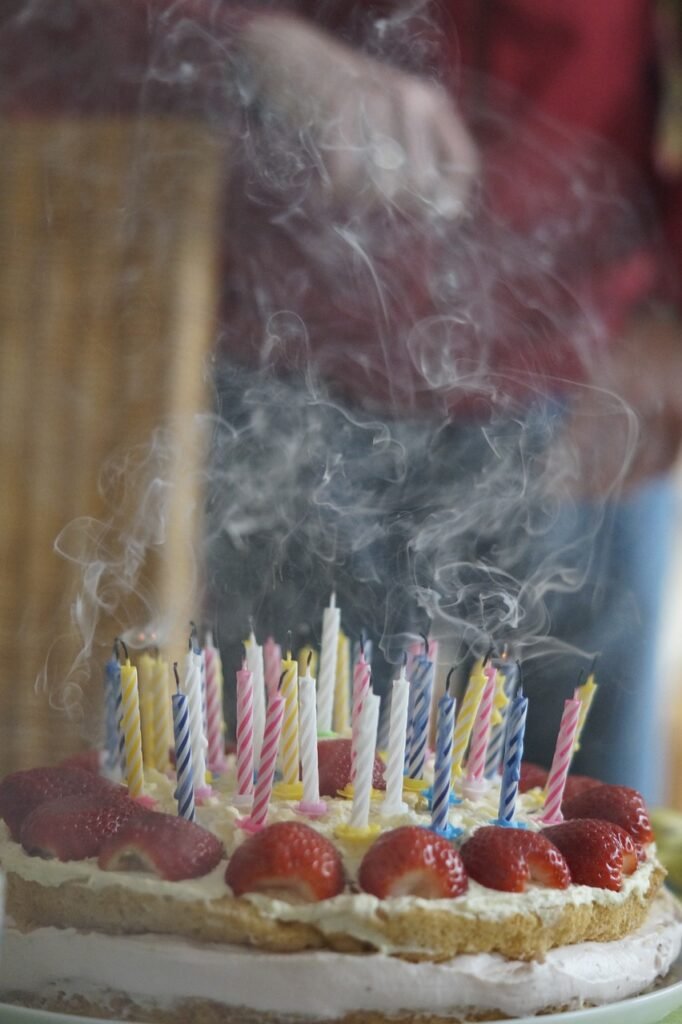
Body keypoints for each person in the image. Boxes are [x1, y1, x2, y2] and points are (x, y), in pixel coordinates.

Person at [3, 1, 681, 801]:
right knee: (285, 820)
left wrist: (675, 308)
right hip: (297, 399)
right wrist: (253, 38)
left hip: (595, 384)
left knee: (596, 843)